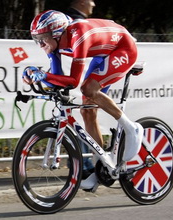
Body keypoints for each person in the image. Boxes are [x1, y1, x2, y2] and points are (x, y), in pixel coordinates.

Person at [22, 10, 144, 192]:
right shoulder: (53, 45)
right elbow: (57, 77)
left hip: (122, 48)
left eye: (43, 38)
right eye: (36, 39)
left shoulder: (79, 35)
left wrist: (42, 75)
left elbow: (72, 81)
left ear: (57, 34)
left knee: (88, 89)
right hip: (103, 54)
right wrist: (38, 76)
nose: (40, 44)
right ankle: (102, 167)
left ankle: (130, 127)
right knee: (87, 111)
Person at [65, 0, 96, 181]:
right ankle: (84, 166)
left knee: (80, 119)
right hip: (80, 75)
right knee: (83, 118)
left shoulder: (70, 19)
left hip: (77, 75)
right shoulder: (77, 22)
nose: (94, 3)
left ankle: (83, 165)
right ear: (82, 2)